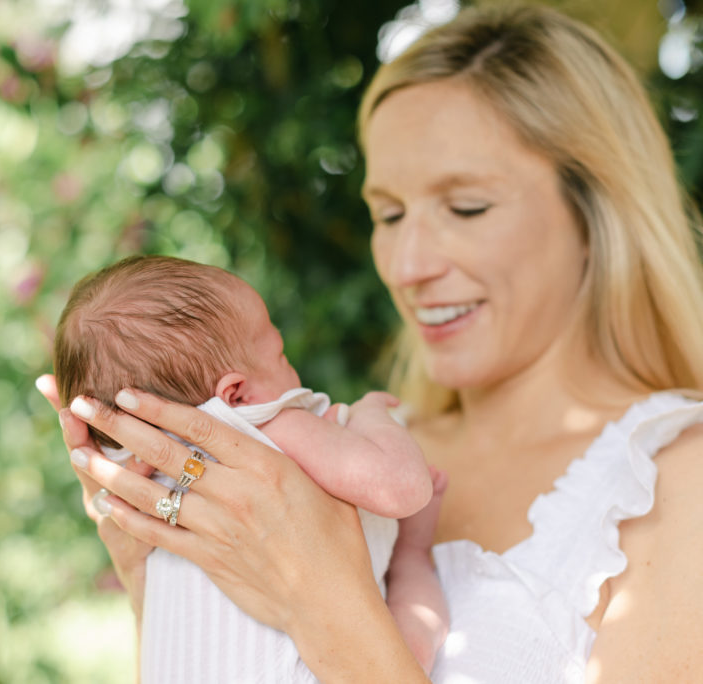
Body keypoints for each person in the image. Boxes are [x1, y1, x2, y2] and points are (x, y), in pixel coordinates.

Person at [38, 4, 703, 682]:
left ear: (595, 210)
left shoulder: (677, 483)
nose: (407, 265)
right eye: (387, 213)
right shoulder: (341, 447)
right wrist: (155, 576)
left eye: (466, 207)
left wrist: (321, 600)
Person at [52, 254, 449, 678]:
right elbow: (402, 488)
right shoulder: (272, 427)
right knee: (416, 634)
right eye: (279, 353)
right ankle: (411, 559)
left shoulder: (132, 480)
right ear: (236, 395)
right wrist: (371, 414)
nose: (290, 366)